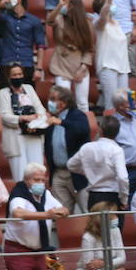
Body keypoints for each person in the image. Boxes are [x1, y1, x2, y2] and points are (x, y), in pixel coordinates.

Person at [5, 163, 70, 270]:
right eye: (36, 180)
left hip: (40, 251)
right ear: (26, 180)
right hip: (20, 251)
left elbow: (62, 208)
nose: (40, 183)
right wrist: (46, 214)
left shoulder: (46, 194)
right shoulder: (18, 194)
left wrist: (63, 212)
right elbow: (18, 213)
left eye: (42, 180)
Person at [0, 63, 48, 183]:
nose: (18, 76)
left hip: (33, 133)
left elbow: (40, 110)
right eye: (14, 75)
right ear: (9, 77)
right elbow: (5, 116)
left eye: (20, 74)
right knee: (20, 177)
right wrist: (23, 119)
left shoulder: (29, 88)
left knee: (37, 171)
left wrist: (34, 122)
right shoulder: (3, 93)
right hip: (16, 137)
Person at [44, 86, 90, 215]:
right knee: (61, 214)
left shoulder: (77, 115)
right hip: (58, 173)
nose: (49, 102)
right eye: (49, 98)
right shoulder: (50, 119)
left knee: (88, 213)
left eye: (53, 99)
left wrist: (62, 122)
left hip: (78, 174)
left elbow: (83, 130)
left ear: (64, 103)